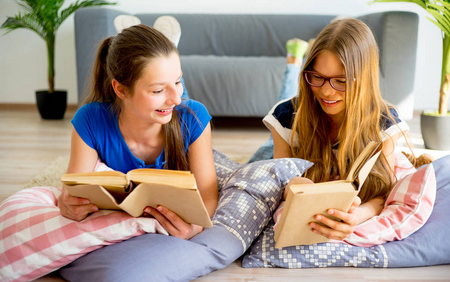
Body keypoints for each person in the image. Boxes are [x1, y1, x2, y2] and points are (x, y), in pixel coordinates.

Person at [57, 23, 218, 239]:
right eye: (158, 90)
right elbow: (74, 190)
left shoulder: (193, 116)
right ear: (120, 89)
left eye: (178, 81)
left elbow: (208, 196)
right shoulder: (90, 120)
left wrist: (195, 228)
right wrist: (68, 204)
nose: (176, 98)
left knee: (177, 101)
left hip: (172, 117)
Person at [258, 18, 411, 241]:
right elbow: (278, 181)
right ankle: (294, 63)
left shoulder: (385, 123)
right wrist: (293, 186)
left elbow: (383, 192)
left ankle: (294, 60)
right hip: (279, 141)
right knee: (258, 162)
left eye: (341, 81)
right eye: (317, 77)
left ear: (364, 79)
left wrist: (358, 215)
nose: (327, 92)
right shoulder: (285, 117)